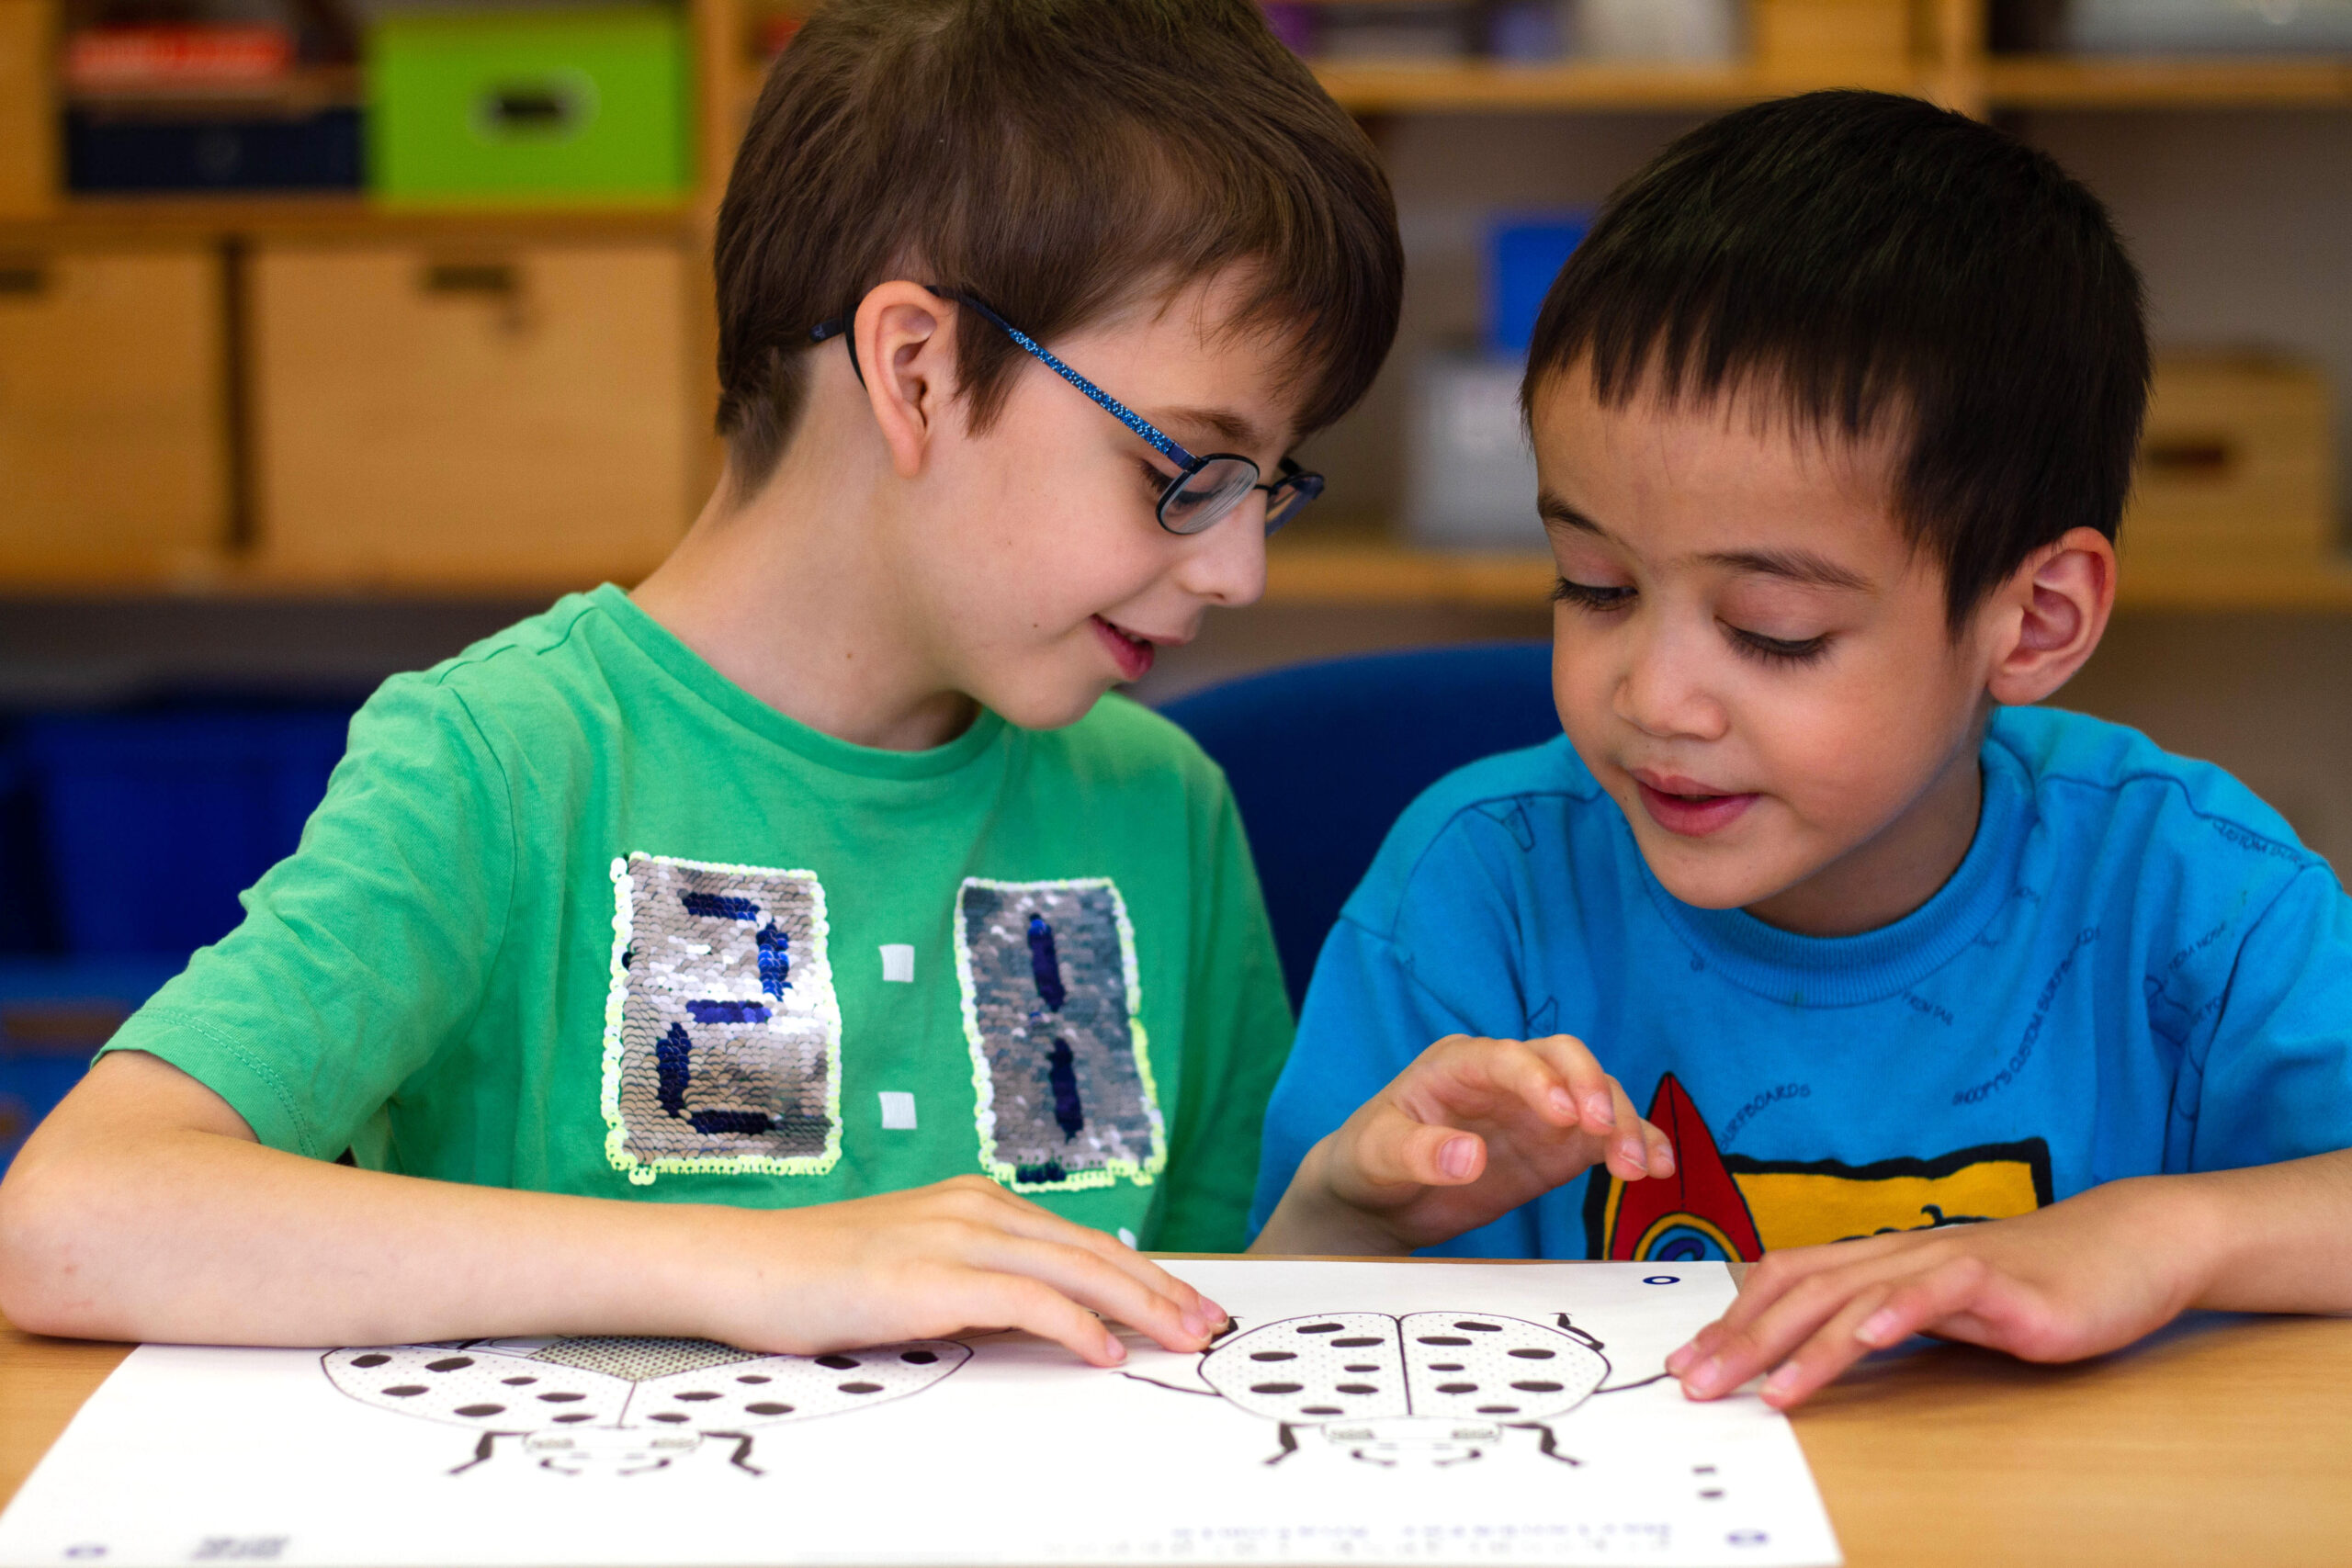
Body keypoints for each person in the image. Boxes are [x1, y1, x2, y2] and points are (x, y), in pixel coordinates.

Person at [0, 0, 1404, 1369]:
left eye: (1266, 488)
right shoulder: (510, 763)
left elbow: (1203, 1319)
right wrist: (756, 1262)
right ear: (915, 370)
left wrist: (1349, 1209)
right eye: (1187, 471)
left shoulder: (1161, 806)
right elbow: (76, 1214)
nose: (1238, 572)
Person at [1250, 91, 2352, 1408]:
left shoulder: (2189, 897)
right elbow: (1282, 1330)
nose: (1656, 695)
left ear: (2033, 620)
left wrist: (2161, 1236)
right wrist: (1357, 1217)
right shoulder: (1477, 894)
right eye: (1595, 585)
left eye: (1773, 631)